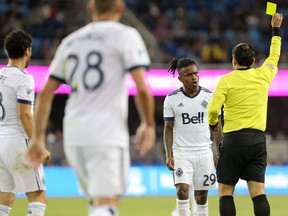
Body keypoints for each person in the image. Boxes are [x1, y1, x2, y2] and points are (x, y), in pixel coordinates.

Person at [28, 0, 156, 216]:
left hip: (74, 134)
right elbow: (142, 88)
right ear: (121, 8)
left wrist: (38, 139)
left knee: (95, 202)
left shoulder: (70, 41)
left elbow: (46, 92)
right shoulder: (126, 35)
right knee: (107, 204)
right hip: (106, 133)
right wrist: (148, 124)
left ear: (90, 8)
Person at [208, 13, 283, 216]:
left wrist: (213, 123)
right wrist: (276, 30)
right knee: (258, 192)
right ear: (253, 60)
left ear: (234, 61)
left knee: (225, 191)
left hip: (233, 140)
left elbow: (213, 110)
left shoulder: (226, 81)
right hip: (257, 141)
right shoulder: (263, 75)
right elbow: (274, 56)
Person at [163, 57, 222, 216]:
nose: (194, 77)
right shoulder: (172, 99)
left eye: (195, 73)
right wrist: (169, 154)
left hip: (204, 152)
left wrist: (220, 151)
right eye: (188, 75)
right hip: (182, 153)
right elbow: (168, 129)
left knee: (201, 197)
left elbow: (216, 127)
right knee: (182, 191)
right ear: (180, 78)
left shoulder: (209, 96)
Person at [0, 30, 50, 216]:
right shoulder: (23, 78)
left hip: (1, 141)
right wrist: (37, 144)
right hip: (18, 141)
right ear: (27, 51)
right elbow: (25, 116)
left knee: (5, 197)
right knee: (38, 197)